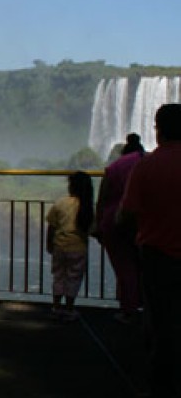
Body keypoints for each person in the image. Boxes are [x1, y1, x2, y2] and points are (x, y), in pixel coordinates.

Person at [120, 103, 181, 397]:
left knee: (160, 322)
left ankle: (161, 384)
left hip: (157, 255)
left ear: (159, 131)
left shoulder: (145, 166)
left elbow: (127, 212)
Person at [95, 133, 144, 322]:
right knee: (145, 267)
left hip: (114, 223)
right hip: (143, 221)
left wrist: (98, 224)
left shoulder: (115, 167)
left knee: (125, 269)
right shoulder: (147, 162)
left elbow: (102, 198)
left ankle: (128, 309)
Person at [46, 171, 94, 322]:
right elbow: (92, 229)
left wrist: (49, 244)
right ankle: (69, 309)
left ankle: (56, 307)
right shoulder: (87, 207)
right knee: (73, 278)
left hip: (59, 246)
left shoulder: (60, 203)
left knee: (58, 276)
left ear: (71, 186)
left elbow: (52, 226)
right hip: (78, 249)